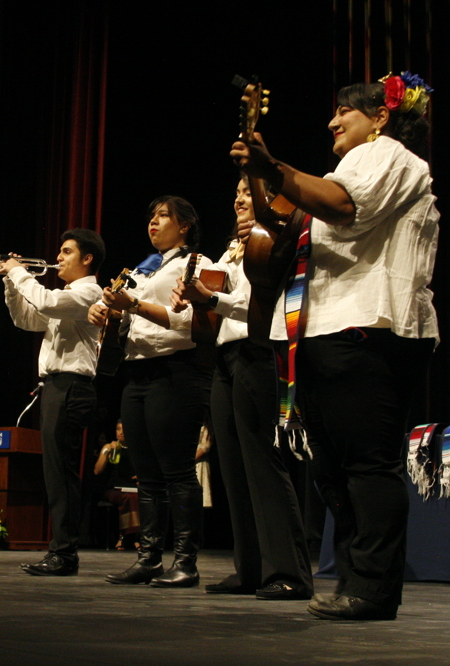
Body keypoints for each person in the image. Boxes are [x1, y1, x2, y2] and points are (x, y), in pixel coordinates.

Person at [231, 72, 438, 620]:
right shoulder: (348, 166)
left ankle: (373, 588)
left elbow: (344, 206)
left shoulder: (387, 155)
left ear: (381, 117)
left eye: (344, 111)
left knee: (367, 465)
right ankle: (354, 578)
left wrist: (273, 167)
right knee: (333, 470)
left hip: (369, 328)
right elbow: (283, 217)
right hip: (326, 331)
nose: (332, 120)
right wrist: (261, 173)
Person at [172, 178, 313, 601]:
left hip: (258, 351)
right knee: (232, 467)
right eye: (235, 193)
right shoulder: (231, 248)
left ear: (271, 199)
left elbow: (258, 306)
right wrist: (193, 294)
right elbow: (217, 294)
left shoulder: (274, 240)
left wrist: (209, 299)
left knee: (262, 463)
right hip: (226, 358)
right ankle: (249, 568)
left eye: (247, 192)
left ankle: (289, 571)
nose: (238, 199)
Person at [89, 196, 212, 588]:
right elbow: (127, 312)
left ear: (185, 226)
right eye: (152, 216)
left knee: (177, 470)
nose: (154, 223)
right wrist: (106, 311)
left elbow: (188, 321)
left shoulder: (197, 264)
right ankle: (148, 557)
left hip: (175, 371)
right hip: (137, 372)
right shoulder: (143, 268)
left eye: (164, 216)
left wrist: (134, 304)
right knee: (147, 475)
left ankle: (186, 562)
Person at [0, 228, 105, 576]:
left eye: (66, 252)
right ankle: (61, 550)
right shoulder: (65, 295)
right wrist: (11, 285)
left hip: (72, 386)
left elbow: (43, 302)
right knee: (55, 472)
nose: (58, 257)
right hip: (56, 386)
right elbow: (27, 319)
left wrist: (17, 270)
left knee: (62, 473)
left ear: (87, 259)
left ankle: (65, 553)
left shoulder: (90, 291)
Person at [93, 419, 138, 550]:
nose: (121, 433)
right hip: (113, 488)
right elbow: (97, 471)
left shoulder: (136, 448)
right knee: (129, 498)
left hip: (132, 487)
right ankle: (126, 537)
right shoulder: (109, 447)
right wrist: (107, 452)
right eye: (118, 429)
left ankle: (136, 537)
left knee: (143, 497)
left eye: (124, 429)